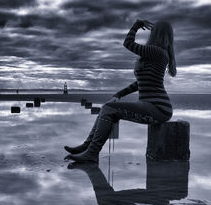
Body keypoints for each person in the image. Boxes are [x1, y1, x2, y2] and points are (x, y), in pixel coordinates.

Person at [64, 19, 177, 163]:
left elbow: (128, 43)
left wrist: (137, 25)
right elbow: (140, 83)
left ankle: (91, 153)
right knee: (108, 108)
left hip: (158, 109)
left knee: (109, 109)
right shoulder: (155, 55)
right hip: (152, 106)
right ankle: (87, 147)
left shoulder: (157, 52)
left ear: (156, 33)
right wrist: (119, 94)